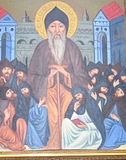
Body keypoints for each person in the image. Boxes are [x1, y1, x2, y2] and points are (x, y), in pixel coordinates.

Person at [27, 7, 89, 149]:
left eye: (60, 26)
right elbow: (32, 76)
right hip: (47, 92)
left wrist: (66, 74)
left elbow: (83, 76)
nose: (57, 30)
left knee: (66, 113)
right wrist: (49, 78)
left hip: (69, 91)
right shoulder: (41, 48)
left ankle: (67, 146)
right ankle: (53, 145)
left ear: (65, 28)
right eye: (53, 26)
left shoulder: (72, 47)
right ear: (47, 29)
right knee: (52, 117)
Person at [16, 81, 50, 149]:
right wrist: (39, 106)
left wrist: (41, 106)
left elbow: (38, 106)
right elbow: (27, 114)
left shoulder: (33, 97)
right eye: (22, 91)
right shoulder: (21, 101)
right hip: (28, 121)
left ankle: (43, 138)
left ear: (28, 88)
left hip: (36, 119)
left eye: (25, 89)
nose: (24, 92)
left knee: (44, 110)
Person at [100, 84, 126, 150]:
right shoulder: (112, 100)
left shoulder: (124, 105)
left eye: (121, 92)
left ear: (124, 95)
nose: (118, 92)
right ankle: (104, 141)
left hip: (123, 129)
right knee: (106, 122)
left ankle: (108, 146)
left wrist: (117, 119)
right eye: (118, 90)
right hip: (112, 121)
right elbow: (105, 113)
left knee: (116, 128)